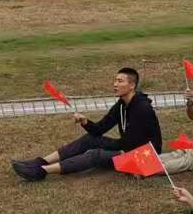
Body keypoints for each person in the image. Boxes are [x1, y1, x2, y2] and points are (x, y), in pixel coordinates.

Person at [11, 67, 160, 180]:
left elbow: (133, 144)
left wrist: (115, 153)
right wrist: (85, 122)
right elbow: (100, 129)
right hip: (129, 147)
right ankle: (40, 162)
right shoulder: (121, 105)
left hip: (145, 157)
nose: (115, 84)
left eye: (120, 81)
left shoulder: (142, 108)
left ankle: (41, 171)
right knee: (90, 139)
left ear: (132, 85)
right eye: (115, 81)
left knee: (96, 155)